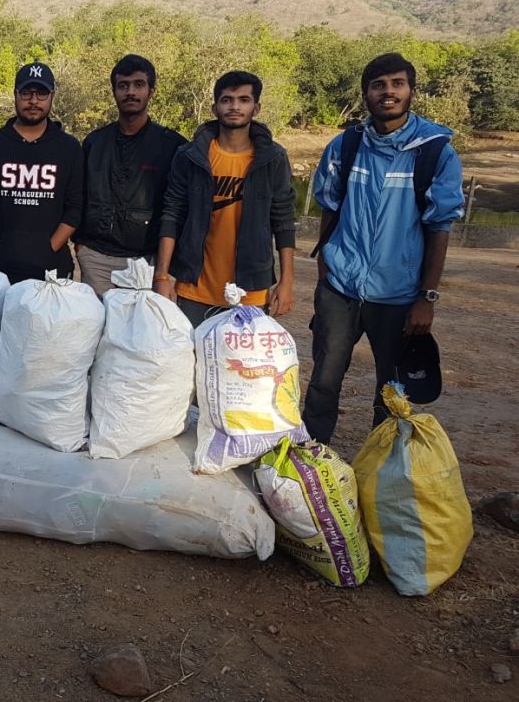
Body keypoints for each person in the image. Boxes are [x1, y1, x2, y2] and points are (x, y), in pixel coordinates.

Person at [303, 52, 464, 443]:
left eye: (397, 84)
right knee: (324, 379)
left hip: (397, 295)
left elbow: (439, 228)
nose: (388, 92)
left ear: (410, 91)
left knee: (391, 392)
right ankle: (309, 459)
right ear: (365, 94)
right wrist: (326, 263)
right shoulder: (346, 146)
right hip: (340, 288)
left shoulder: (435, 152)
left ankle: (383, 473)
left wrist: (426, 297)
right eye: (378, 85)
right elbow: (329, 205)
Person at [154, 70, 296, 329]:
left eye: (243, 100)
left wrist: (286, 282)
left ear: (256, 108)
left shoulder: (272, 159)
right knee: (191, 363)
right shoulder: (191, 156)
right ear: (215, 107)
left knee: (241, 366)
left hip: (250, 290)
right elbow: (172, 214)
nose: (234, 107)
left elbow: (283, 221)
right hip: (194, 288)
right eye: (226, 100)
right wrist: (162, 275)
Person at [74, 54, 186, 297]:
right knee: (97, 329)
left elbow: (177, 207)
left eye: (138, 85)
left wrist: (164, 269)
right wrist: (81, 245)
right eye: (123, 85)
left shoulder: (172, 146)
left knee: (143, 331)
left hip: (146, 260)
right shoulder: (95, 142)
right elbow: (78, 195)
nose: (130, 92)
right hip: (96, 258)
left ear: (151, 90)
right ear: (114, 90)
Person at [0, 62, 83, 284]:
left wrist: (51, 247)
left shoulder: (69, 148)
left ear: (52, 95)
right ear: (15, 94)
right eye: (26, 92)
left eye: (42, 93)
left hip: (53, 269)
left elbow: (76, 205)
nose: (34, 100)